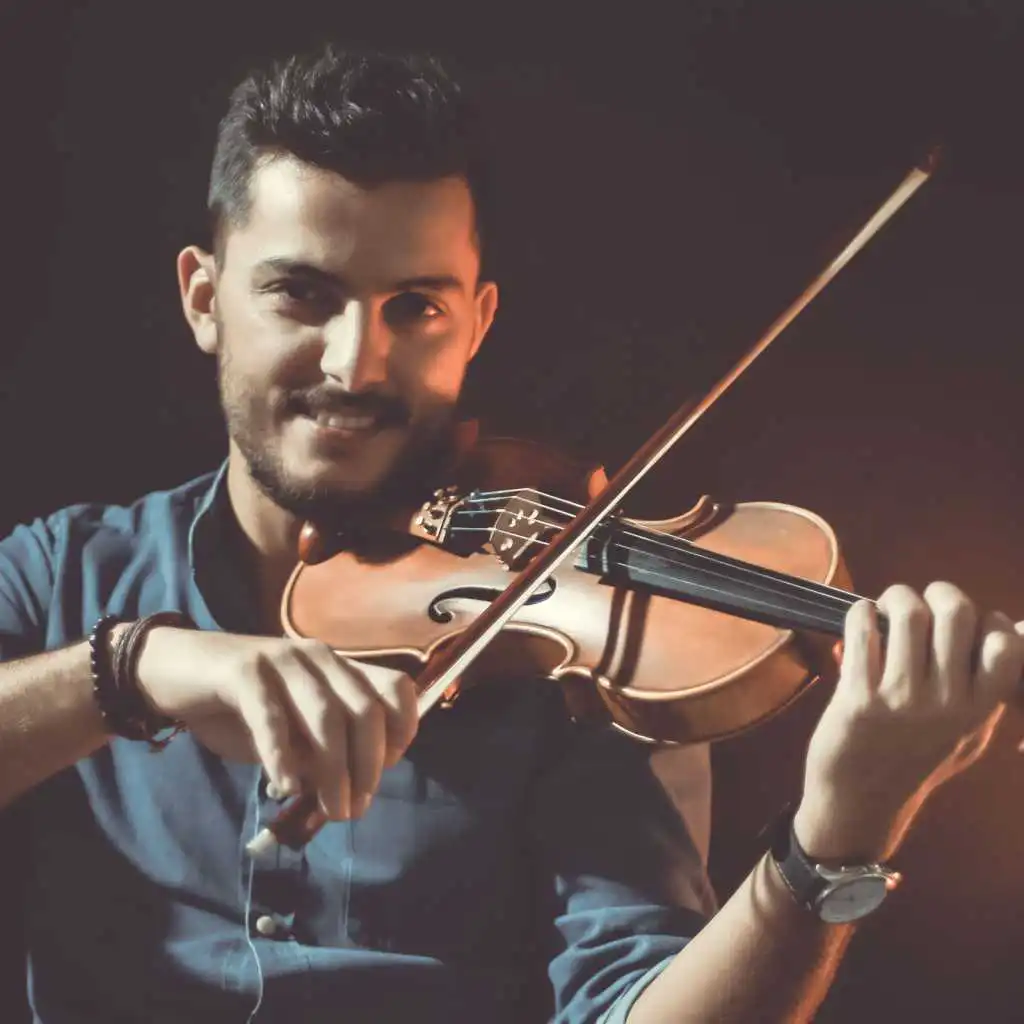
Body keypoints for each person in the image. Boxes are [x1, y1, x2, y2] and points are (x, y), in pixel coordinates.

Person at [0, 43, 1021, 1024]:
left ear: (477, 322)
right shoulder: (65, 575)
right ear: (203, 298)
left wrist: (833, 839)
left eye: (415, 307)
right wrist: (132, 669)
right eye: (301, 295)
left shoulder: (588, 657)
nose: (356, 364)